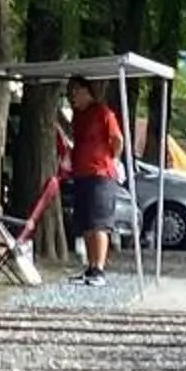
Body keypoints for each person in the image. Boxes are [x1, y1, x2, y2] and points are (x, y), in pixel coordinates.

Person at [63, 75, 124, 286]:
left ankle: (99, 269)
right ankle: (90, 267)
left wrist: (112, 159)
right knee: (87, 224)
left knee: (99, 223)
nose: (72, 98)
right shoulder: (78, 117)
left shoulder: (103, 113)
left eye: (75, 93)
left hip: (100, 174)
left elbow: (117, 140)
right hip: (81, 174)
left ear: (85, 92)